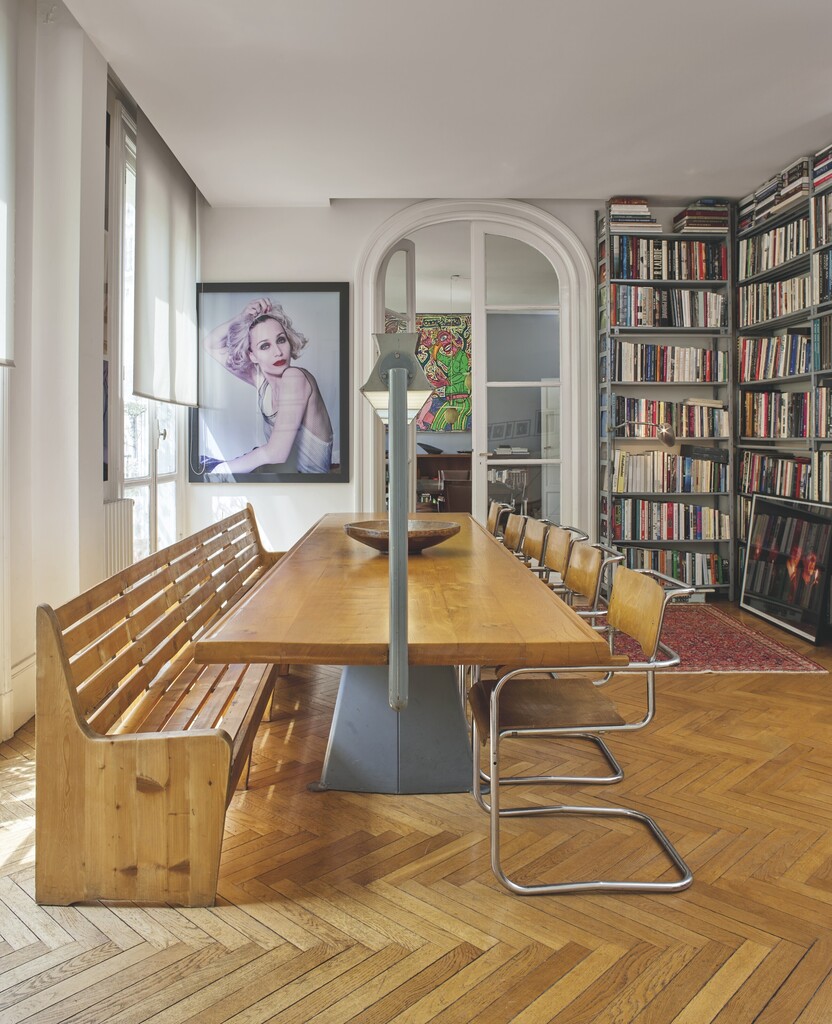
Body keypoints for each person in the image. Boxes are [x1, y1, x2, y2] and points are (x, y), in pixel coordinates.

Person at [203, 298, 333, 474]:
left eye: (281, 340)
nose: (278, 352)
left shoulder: (295, 377)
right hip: (283, 481)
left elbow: (276, 453)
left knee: (212, 467)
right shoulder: (263, 383)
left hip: (308, 489)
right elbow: (210, 344)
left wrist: (220, 469)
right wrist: (241, 317)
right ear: (252, 356)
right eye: (265, 346)